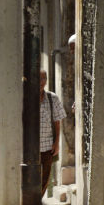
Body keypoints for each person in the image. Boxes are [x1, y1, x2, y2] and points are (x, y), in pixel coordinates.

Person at [40, 69, 66, 197]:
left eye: (44, 78)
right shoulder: (26, 98)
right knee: (30, 177)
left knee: (45, 178)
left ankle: (37, 203)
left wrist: (56, 143)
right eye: (39, 78)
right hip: (29, 147)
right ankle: (30, 203)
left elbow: (57, 121)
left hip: (47, 145)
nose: (42, 81)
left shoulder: (52, 98)